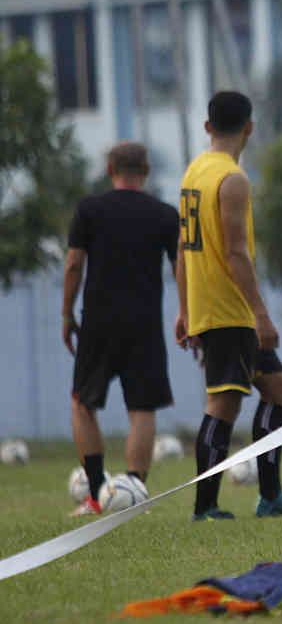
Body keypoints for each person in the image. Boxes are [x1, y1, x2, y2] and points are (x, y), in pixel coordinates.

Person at [176, 91, 282, 520]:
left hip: (209, 304)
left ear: (207, 127)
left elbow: (181, 249)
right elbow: (236, 252)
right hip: (229, 308)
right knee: (223, 403)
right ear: (250, 128)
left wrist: (184, 309)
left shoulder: (194, 172)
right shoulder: (232, 179)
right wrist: (261, 314)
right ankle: (205, 507)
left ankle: (271, 497)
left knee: (277, 389)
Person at [62, 142, 178, 516]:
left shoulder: (90, 210)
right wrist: (187, 315)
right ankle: (133, 492)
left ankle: (97, 494)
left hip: (98, 322)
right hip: (144, 324)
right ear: (145, 171)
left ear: (110, 168)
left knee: (82, 403)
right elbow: (182, 271)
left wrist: (66, 314)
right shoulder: (163, 215)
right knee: (141, 409)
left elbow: (73, 266)